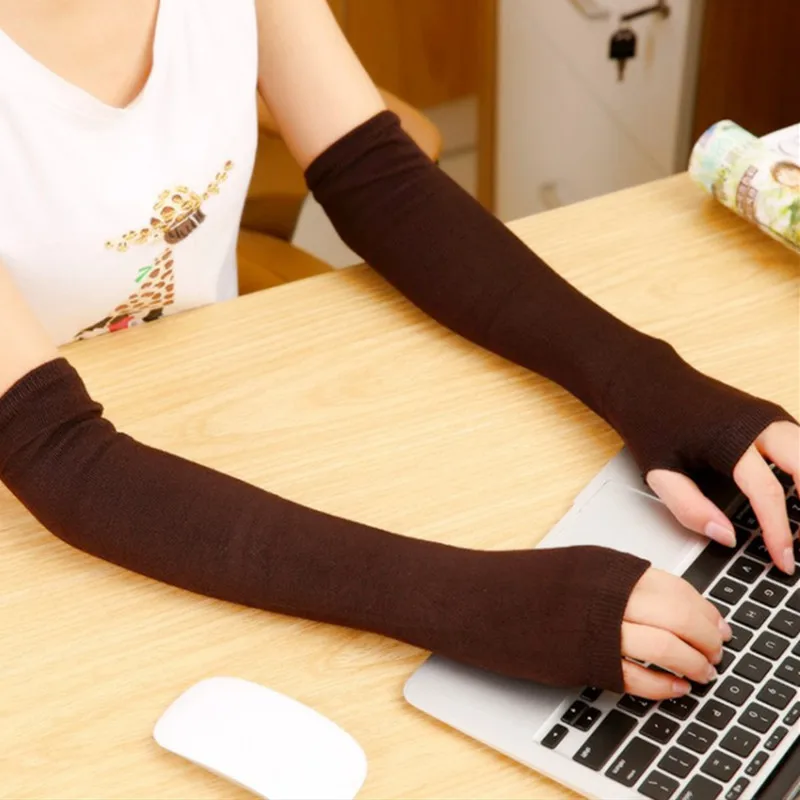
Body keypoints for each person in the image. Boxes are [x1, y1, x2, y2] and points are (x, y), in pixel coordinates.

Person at [0, 0, 797, 701]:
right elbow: (54, 450)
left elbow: (380, 181)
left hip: (204, 399)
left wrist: (654, 387)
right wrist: (479, 603)